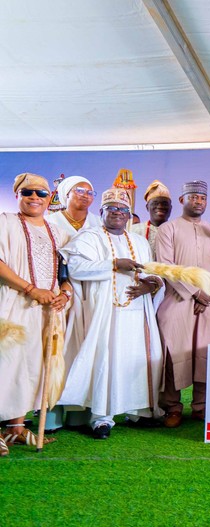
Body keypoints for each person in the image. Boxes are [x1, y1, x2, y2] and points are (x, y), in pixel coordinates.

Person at [58, 188, 164, 440]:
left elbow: (151, 270)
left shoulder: (138, 241)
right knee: (107, 358)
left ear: (129, 215)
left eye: (123, 210)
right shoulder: (89, 237)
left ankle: (137, 411)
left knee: (138, 357)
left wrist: (152, 284)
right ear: (102, 212)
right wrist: (114, 264)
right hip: (105, 310)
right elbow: (75, 268)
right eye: (112, 209)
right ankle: (101, 417)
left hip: (138, 311)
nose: (117, 213)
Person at [0, 174, 71, 455]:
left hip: (47, 311)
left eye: (41, 194)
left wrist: (65, 294)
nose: (34, 198)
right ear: (17, 195)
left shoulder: (59, 232)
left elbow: (67, 274)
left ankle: (16, 428)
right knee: (5, 363)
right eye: (27, 192)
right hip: (11, 304)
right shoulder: (5, 222)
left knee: (32, 366)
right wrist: (30, 289)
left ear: (49, 199)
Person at [155, 181, 210, 428]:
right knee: (173, 353)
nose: (198, 201)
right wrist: (195, 293)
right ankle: (172, 408)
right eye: (193, 197)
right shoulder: (168, 229)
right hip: (177, 300)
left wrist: (208, 293)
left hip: (208, 302)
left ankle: (201, 407)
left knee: (204, 354)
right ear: (183, 200)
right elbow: (166, 267)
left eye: (202, 198)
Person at [44, 175, 101, 431]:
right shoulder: (49, 223)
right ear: (66, 193)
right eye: (79, 190)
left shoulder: (98, 225)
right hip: (56, 293)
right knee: (56, 348)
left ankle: (80, 413)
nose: (85, 195)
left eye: (90, 192)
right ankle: (51, 413)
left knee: (85, 348)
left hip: (90, 294)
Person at [46, 175, 102, 241]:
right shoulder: (48, 221)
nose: (85, 196)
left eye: (90, 193)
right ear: (67, 194)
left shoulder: (100, 223)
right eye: (80, 191)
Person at [130, 180, 172, 258]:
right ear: (147, 207)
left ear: (171, 208)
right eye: (155, 203)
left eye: (164, 203)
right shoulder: (134, 231)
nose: (160, 206)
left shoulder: (177, 232)